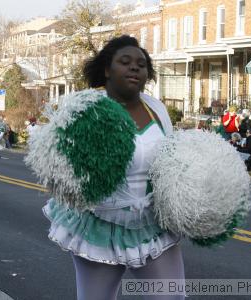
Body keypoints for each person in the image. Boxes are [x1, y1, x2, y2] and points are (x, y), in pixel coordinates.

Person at [42, 36, 184, 300]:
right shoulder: (87, 109)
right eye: (125, 62)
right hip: (100, 225)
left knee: (170, 297)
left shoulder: (157, 109)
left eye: (141, 64)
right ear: (107, 69)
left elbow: (172, 160)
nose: (134, 68)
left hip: (152, 225)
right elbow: (61, 167)